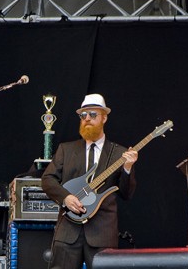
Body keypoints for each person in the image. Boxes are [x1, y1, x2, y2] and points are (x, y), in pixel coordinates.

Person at [41, 94, 138, 269]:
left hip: (103, 233)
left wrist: (128, 168)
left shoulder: (119, 153)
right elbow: (47, 180)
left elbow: (126, 193)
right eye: (83, 115)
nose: (87, 119)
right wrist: (66, 198)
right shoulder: (66, 149)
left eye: (93, 115)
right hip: (68, 231)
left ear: (104, 117)